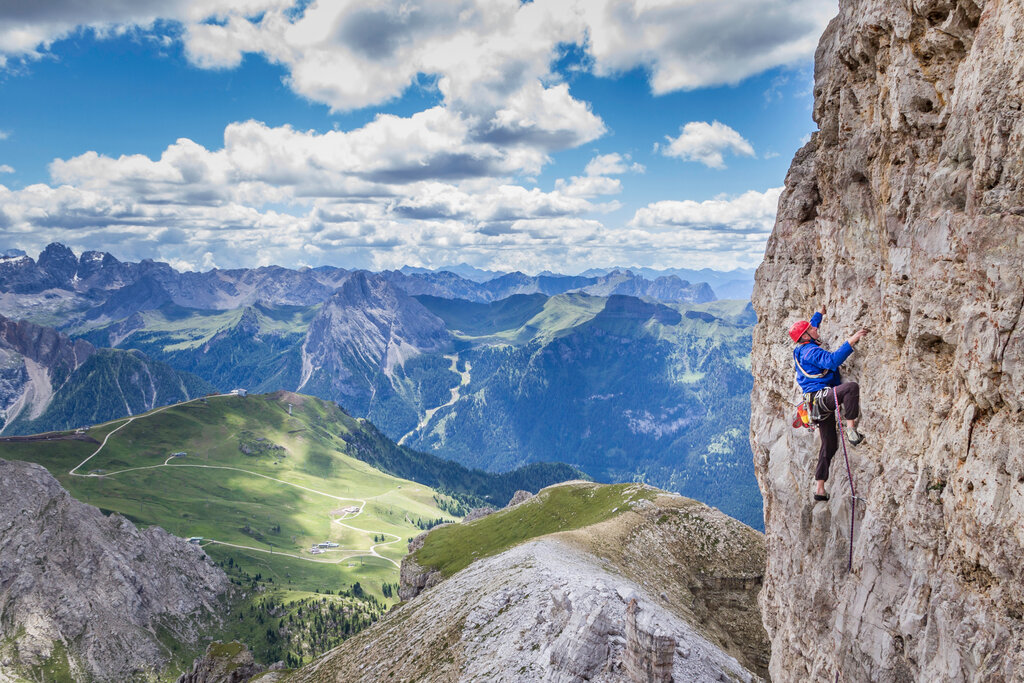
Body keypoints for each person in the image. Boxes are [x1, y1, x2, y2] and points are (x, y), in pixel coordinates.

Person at [789, 305, 869, 502]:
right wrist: (851, 341)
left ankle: (820, 488)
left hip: (814, 405)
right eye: (811, 329)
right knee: (850, 388)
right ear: (806, 336)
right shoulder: (811, 352)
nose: (816, 329)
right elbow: (832, 361)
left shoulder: (801, 348)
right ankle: (851, 429)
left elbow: (811, 327)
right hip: (822, 398)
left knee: (829, 444)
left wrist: (819, 314)